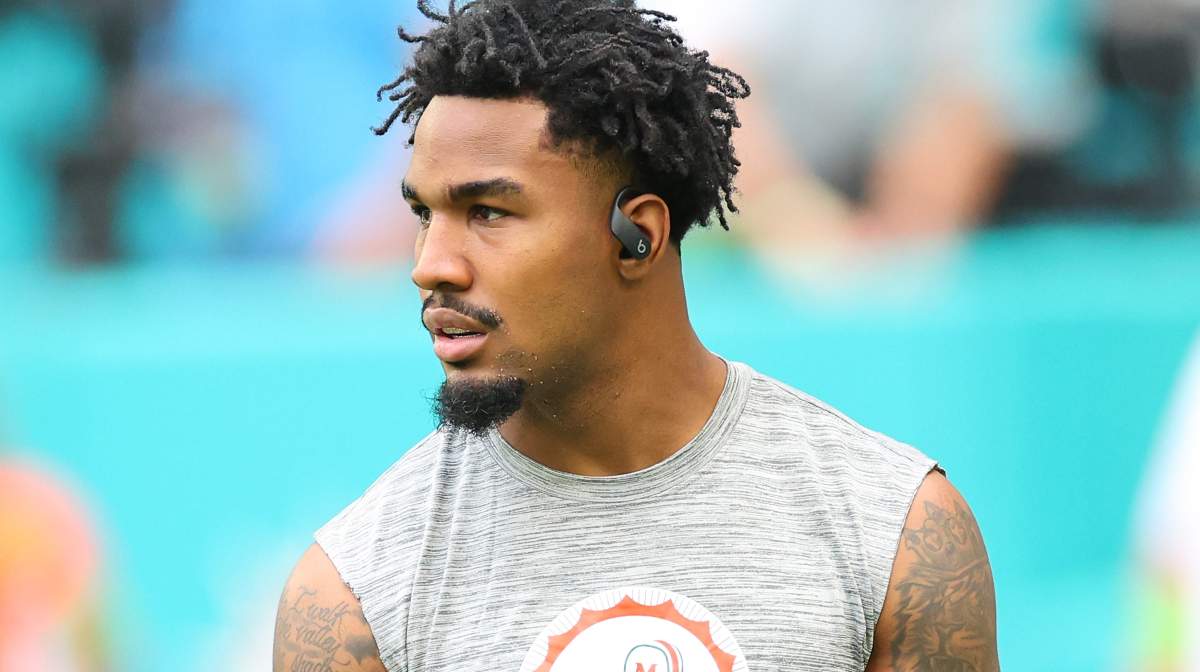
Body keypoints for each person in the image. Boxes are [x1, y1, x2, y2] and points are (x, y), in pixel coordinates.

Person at [273, 2, 999, 671]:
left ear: (637, 236)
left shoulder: (893, 532)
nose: (431, 266)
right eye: (424, 215)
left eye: (488, 213)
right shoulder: (352, 597)